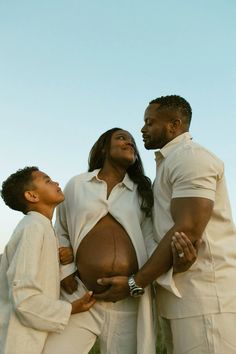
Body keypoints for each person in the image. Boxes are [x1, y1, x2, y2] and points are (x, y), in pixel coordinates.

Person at [95, 96, 236, 354]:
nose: (142, 129)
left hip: (205, 300)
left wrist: (135, 283)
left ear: (174, 125)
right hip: (180, 301)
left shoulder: (191, 158)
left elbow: (188, 228)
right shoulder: (167, 164)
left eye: (150, 122)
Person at [43, 128, 157, 354]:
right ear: (104, 147)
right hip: (81, 296)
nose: (130, 143)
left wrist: (141, 280)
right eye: (122, 138)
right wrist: (65, 270)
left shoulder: (141, 191)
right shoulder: (78, 184)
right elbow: (61, 228)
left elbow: (149, 239)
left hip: (128, 300)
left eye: (132, 141)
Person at [0, 167, 95, 354]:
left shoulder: (43, 227)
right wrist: (69, 309)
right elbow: (23, 298)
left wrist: (69, 255)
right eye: (47, 180)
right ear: (32, 196)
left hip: (34, 335)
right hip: (19, 341)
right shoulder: (33, 227)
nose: (57, 183)